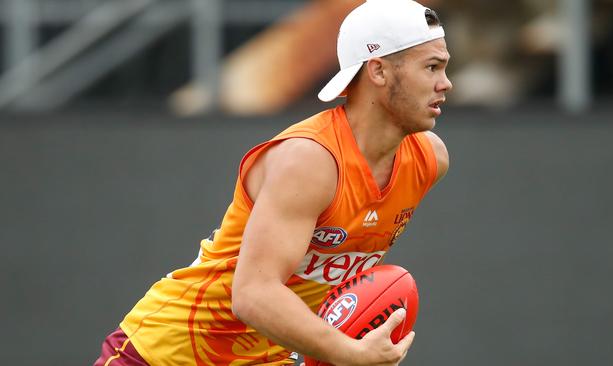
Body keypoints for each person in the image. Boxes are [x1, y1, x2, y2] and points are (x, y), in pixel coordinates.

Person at [94, 0, 452, 365]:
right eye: (431, 67)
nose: (446, 83)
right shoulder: (310, 160)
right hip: (167, 355)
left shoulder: (429, 160)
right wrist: (351, 353)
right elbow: (252, 294)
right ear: (378, 71)